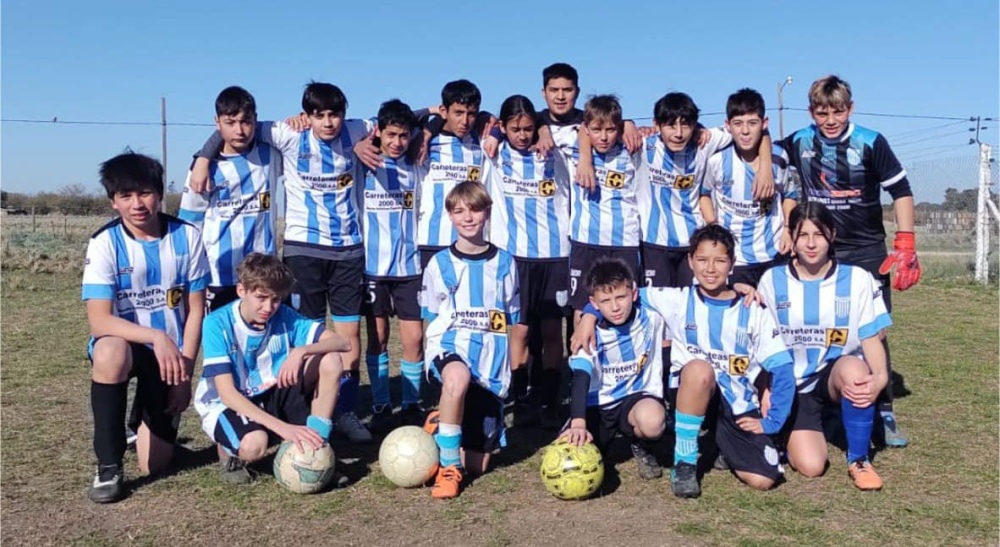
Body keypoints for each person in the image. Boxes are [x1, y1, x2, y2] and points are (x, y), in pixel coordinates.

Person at [190, 82, 377, 443]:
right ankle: (271, 411)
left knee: (346, 338)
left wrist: (433, 115)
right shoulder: (290, 133)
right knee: (294, 330)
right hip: (302, 249)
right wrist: (202, 157)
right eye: (318, 115)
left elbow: (395, 121)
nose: (327, 122)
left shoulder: (355, 129)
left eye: (334, 114)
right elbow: (231, 128)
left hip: (349, 251)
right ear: (306, 116)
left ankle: (344, 412)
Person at [576, 224, 795, 498]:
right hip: (691, 387)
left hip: (736, 399)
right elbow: (616, 295)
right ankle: (685, 461)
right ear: (690, 261)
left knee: (763, 479)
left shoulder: (752, 309)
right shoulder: (675, 300)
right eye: (702, 260)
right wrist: (588, 316)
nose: (710, 268)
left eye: (719, 261)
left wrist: (772, 422)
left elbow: (783, 368)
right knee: (699, 370)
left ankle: (721, 445)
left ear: (732, 263)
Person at [781, 75, 917, 447]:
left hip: (867, 250)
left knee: (875, 332)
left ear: (850, 109)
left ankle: (883, 410)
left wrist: (905, 242)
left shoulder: (870, 142)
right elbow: (759, 144)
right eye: (822, 112)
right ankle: (826, 399)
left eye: (837, 111)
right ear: (811, 112)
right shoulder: (799, 141)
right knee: (820, 324)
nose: (830, 119)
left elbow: (901, 191)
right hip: (821, 249)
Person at [82, 152, 209, 503]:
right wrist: (156, 335)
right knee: (109, 351)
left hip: (170, 359)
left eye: (145, 193)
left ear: (159, 193)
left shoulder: (188, 237)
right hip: (129, 346)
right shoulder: (104, 243)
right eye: (126, 196)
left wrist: (184, 373)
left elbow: (195, 311)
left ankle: (141, 422)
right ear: (113, 202)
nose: (137, 204)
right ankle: (108, 466)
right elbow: (99, 321)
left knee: (156, 465)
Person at [757, 202, 893, 490]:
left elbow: (870, 336)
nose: (810, 243)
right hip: (792, 384)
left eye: (818, 234)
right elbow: (761, 342)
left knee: (856, 371)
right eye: (802, 234)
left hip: (834, 374)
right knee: (811, 466)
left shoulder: (857, 279)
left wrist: (880, 377)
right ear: (792, 238)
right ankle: (806, 426)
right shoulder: (772, 280)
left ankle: (859, 460)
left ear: (831, 235)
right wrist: (765, 387)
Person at [194, 253, 351, 483]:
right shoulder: (217, 322)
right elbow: (227, 394)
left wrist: (301, 351)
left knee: (331, 359)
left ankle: (315, 452)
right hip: (229, 402)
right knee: (255, 446)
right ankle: (228, 453)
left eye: (276, 299)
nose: (269, 307)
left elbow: (342, 343)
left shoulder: (284, 315)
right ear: (241, 291)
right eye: (261, 297)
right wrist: (284, 429)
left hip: (271, 391)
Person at [420, 181, 525, 499]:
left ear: (488, 213)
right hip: (450, 349)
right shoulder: (439, 263)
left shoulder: (506, 263)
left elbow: (513, 320)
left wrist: (514, 371)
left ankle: (441, 426)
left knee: (479, 464)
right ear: (450, 215)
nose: (468, 217)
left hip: (489, 366)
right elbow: (431, 317)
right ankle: (449, 468)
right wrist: (436, 363)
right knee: (457, 376)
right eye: (459, 210)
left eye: (475, 209)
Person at [484, 94, 571, 430]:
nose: (522, 135)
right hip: (515, 257)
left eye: (528, 128)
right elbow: (474, 120)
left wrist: (547, 128)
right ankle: (520, 399)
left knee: (551, 331)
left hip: (555, 255)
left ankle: (549, 400)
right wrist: (493, 132)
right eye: (515, 129)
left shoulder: (555, 147)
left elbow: (582, 130)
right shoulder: (494, 151)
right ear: (503, 127)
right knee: (518, 332)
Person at [559, 258, 667, 482]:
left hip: (635, 398)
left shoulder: (652, 314)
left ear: (634, 294)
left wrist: (737, 287)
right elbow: (580, 377)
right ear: (594, 303)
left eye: (621, 297)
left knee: (653, 421)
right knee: (577, 456)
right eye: (606, 301)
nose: (615, 307)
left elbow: (693, 295)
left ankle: (642, 446)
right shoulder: (588, 332)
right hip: (598, 405)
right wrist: (578, 421)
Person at [358, 99, 428, 431]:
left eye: (403, 135)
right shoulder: (364, 162)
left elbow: (432, 115)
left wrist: (426, 125)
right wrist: (365, 140)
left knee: (414, 338)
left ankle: (412, 403)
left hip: (410, 269)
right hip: (373, 269)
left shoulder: (416, 163)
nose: (397, 142)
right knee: (379, 337)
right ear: (379, 133)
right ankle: (382, 403)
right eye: (391, 134)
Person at [178, 86, 280, 312]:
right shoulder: (203, 169)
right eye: (230, 122)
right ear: (217, 123)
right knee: (223, 342)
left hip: (264, 272)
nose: (240, 130)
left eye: (246, 121)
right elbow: (189, 226)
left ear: (256, 120)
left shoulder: (271, 155)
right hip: (218, 274)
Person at [551, 94, 643, 316]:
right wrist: (585, 157)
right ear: (586, 129)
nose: (603, 137)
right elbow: (542, 128)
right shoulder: (571, 145)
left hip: (624, 242)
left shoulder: (632, 149)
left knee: (624, 308)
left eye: (610, 130)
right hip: (586, 242)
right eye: (596, 130)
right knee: (582, 308)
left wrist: (629, 125)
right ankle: (582, 351)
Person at [700, 88, 798, 287]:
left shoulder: (779, 159)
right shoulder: (717, 161)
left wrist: (788, 230)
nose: (745, 131)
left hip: (774, 253)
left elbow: (790, 195)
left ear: (764, 123)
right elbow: (705, 194)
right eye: (738, 124)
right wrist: (713, 223)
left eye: (752, 123)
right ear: (728, 125)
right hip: (736, 259)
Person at [415, 79, 489, 269]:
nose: (464, 121)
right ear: (444, 111)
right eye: (458, 113)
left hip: (470, 243)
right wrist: (431, 119)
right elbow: (394, 117)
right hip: (430, 242)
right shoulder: (423, 140)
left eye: (471, 114)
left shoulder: (481, 140)